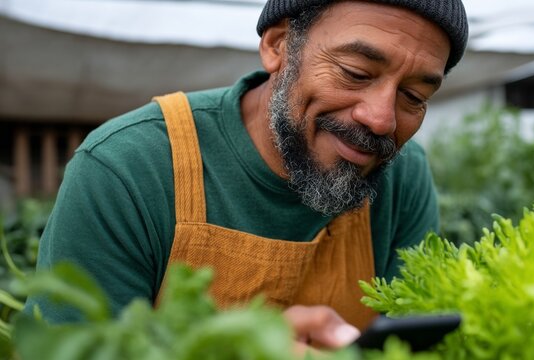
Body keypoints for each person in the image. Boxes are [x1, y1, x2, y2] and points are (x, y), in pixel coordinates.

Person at [26, 0, 468, 351]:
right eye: (355, 73)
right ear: (278, 45)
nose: (381, 119)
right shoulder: (130, 167)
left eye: (413, 96)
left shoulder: (402, 180)